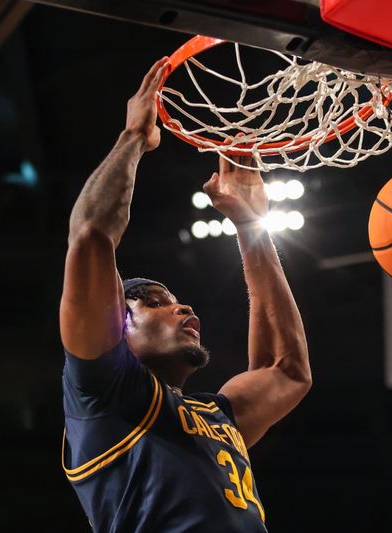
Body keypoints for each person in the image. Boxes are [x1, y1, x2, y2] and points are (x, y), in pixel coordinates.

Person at [59, 57, 312, 532]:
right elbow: (92, 232)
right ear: (118, 325)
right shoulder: (102, 396)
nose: (182, 305)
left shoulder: (217, 416)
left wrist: (251, 225)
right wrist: (134, 137)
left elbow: (287, 370)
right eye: (152, 301)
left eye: (172, 298)